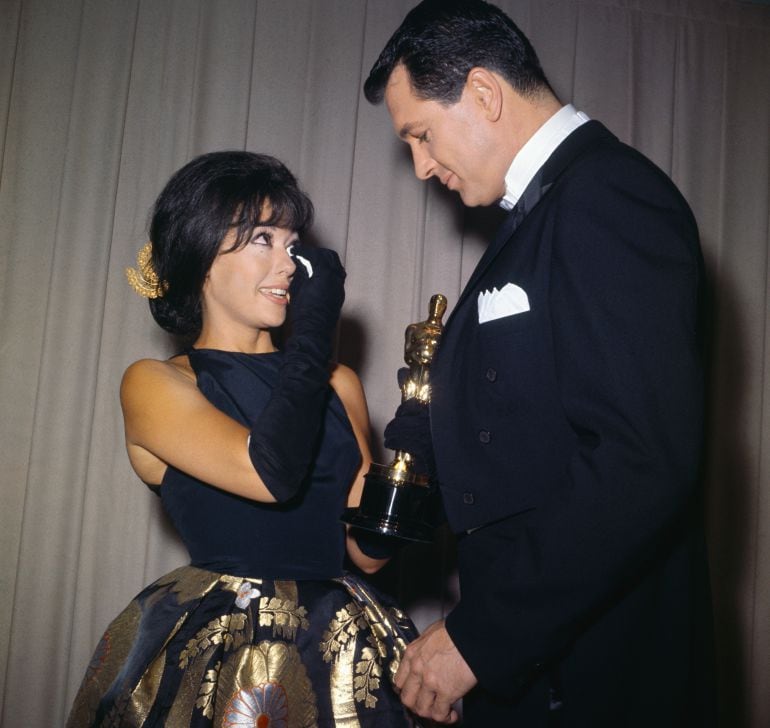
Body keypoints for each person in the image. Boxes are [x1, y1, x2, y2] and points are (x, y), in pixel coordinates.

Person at [364, 1, 715, 726]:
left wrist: (478, 638)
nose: (422, 166)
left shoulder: (605, 195)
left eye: (421, 135)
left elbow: (640, 457)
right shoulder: (544, 212)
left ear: (484, 94)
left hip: (596, 683)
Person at [66, 151, 418, 727]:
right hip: (222, 648)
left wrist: (417, 453)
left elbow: (367, 556)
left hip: (343, 643)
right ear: (201, 256)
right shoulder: (158, 383)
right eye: (263, 239)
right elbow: (268, 473)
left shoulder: (339, 384)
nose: (291, 264)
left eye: (293, 242)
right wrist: (313, 335)